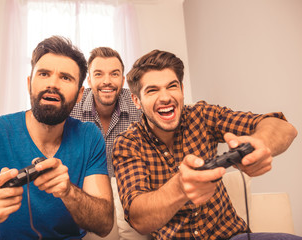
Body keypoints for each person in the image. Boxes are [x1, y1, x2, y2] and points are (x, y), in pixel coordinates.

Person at [112, 49, 299, 239]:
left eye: (172, 86)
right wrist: (179, 188)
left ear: (182, 91)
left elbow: (284, 128)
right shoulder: (128, 144)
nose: (166, 97)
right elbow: (138, 219)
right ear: (136, 100)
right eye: (152, 90)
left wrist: (261, 144)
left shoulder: (202, 116)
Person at [0, 36, 114, 240]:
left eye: (66, 77)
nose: (52, 84)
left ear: (79, 94)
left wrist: (69, 192)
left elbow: (104, 224)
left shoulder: (89, 136)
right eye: (43, 74)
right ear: (28, 83)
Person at [70, 47, 147, 240]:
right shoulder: (73, 108)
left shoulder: (138, 105)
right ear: (89, 80)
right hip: (87, 197)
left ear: (122, 80)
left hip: (131, 193)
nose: (106, 81)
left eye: (114, 74)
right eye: (99, 74)